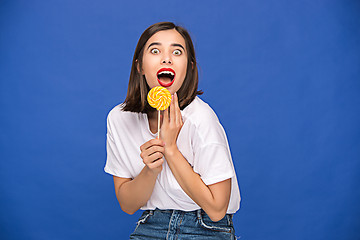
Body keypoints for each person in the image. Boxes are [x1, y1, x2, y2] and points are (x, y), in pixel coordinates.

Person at [104, 22, 241, 239]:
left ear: (189, 67)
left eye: (177, 52)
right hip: (152, 224)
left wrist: (171, 150)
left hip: (205, 228)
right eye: (155, 50)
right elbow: (128, 204)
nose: (166, 58)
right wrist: (150, 170)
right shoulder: (119, 119)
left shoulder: (200, 119)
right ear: (139, 66)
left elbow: (216, 209)